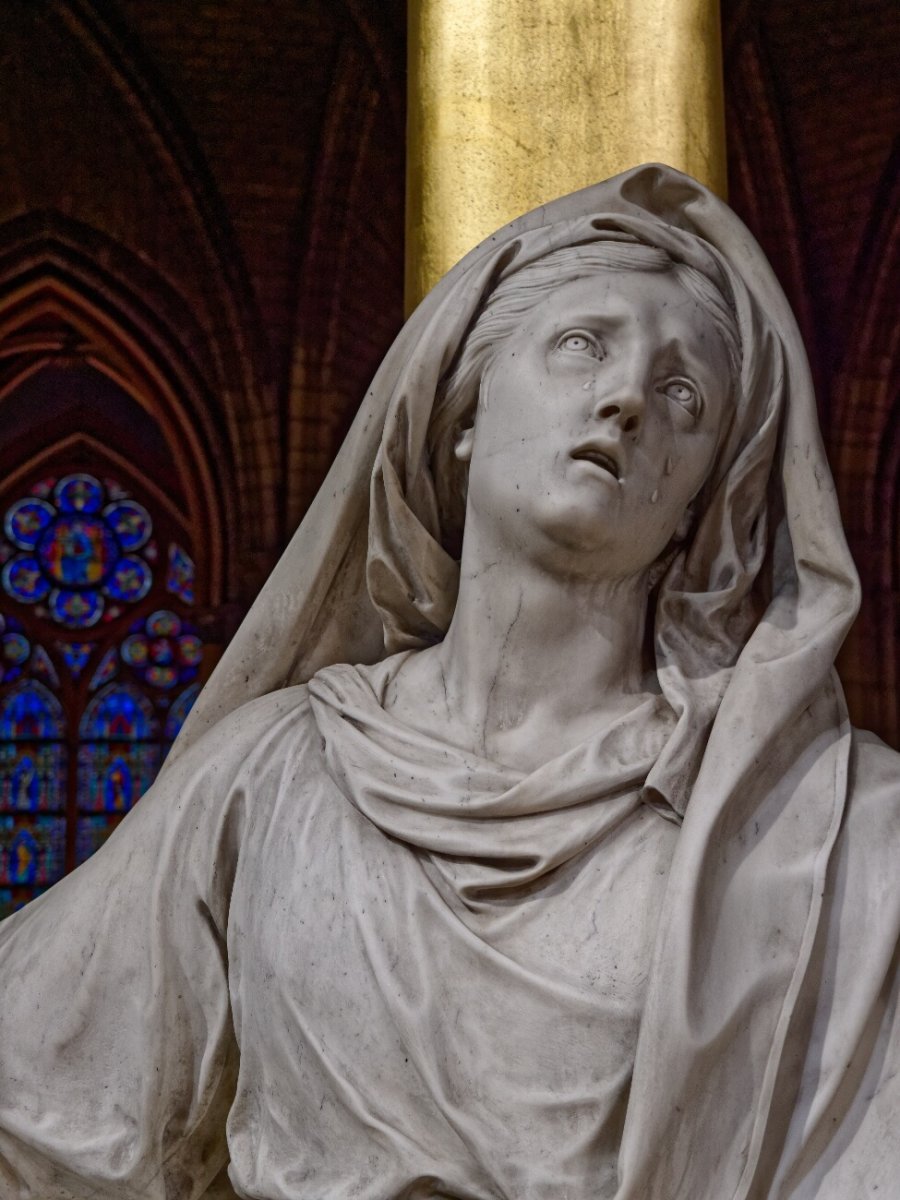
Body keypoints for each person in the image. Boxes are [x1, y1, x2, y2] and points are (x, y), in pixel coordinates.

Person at [0, 165, 897, 1200]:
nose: (626, 400)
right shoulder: (269, 779)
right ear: (463, 412)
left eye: (684, 394)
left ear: (700, 508)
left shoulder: (828, 835)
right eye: (580, 346)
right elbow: (35, 1111)